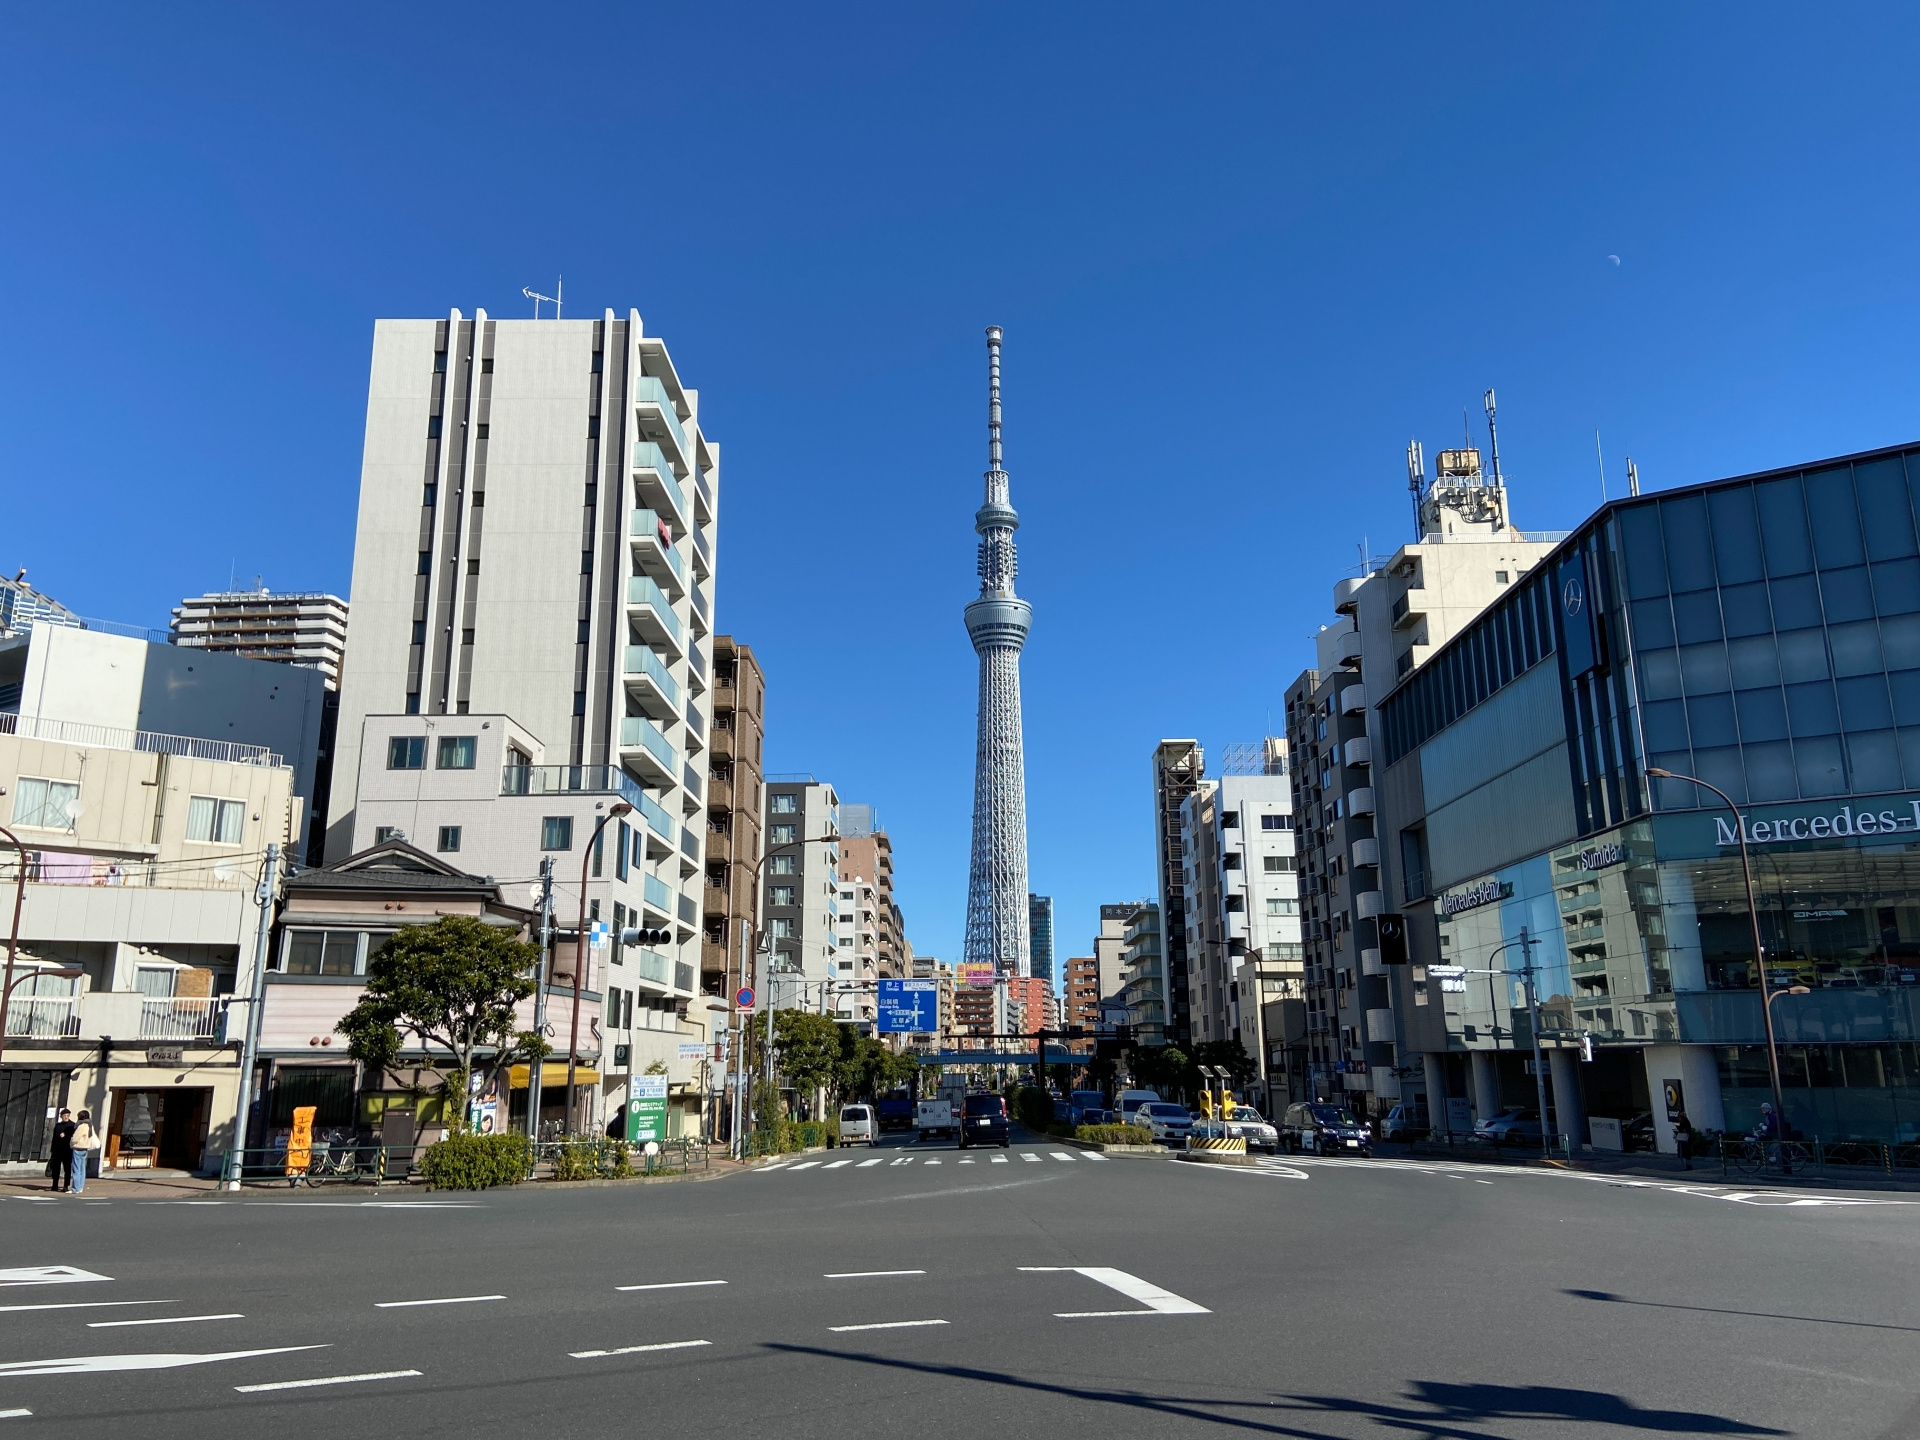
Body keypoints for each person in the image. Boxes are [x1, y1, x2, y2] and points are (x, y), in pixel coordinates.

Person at [67, 1110, 98, 1195]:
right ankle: (80, 1187)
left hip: (78, 1147)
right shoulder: (90, 1125)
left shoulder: (82, 1126)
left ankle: (75, 1188)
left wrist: (71, 1142)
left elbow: (75, 1138)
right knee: (82, 1169)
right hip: (85, 1148)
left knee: (76, 1169)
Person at [47, 1109, 75, 1191]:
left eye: (67, 1115)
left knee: (67, 1168)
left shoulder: (72, 1125)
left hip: (67, 1150)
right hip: (57, 1150)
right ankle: (54, 1185)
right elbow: (54, 1138)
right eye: (64, 1115)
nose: (66, 1117)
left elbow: (73, 1137)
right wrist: (52, 1149)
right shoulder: (58, 1125)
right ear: (61, 1116)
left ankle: (66, 1186)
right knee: (56, 1168)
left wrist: (66, 1135)